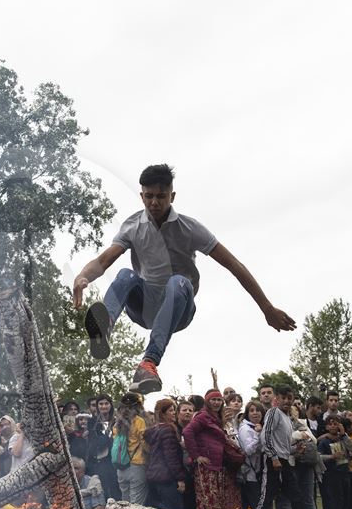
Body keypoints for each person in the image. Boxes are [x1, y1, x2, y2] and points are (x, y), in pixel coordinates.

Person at [73, 163, 296, 394]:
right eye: (148, 196)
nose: (154, 203)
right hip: (144, 307)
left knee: (178, 281)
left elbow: (234, 265)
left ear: (172, 195)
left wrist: (267, 308)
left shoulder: (190, 228)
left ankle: (149, 363)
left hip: (179, 307)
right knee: (125, 275)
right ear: (141, 196)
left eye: (161, 196)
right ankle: (103, 327)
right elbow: (104, 260)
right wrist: (82, 277)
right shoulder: (132, 226)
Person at [254, 387, 318, 509]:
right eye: (284, 397)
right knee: (266, 498)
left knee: (297, 498)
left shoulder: (287, 418)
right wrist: (273, 457)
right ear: (277, 398)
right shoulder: (273, 413)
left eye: (290, 398)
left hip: (285, 460)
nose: (287, 401)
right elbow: (265, 436)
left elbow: (284, 445)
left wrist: (296, 450)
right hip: (273, 461)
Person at [184, 390, 242, 509]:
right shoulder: (203, 416)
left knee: (218, 501)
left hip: (217, 464)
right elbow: (187, 432)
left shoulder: (215, 417)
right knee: (208, 501)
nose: (216, 402)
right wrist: (196, 456)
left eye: (219, 400)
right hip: (206, 466)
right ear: (207, 401)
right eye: (213, 400)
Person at [144, 398, 187, 509]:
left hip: (154, 476)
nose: (174, 413)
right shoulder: (168, 430)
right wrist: (180, 478)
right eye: (171, 411)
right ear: (163, 413)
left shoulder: (155, 430)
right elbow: (171, 457)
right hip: (167, 478)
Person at [317, 416, 352, 509]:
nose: (333, 426)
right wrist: (331, 457)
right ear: (326, 427)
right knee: (337, 500)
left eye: (335, 423)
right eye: (330, 424)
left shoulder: (343, 439)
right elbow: (319, 457)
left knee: (347, 499)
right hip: (332, 474)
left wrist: (344, 435)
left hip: (345, 472)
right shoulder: (324, 442)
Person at [113, 392, 148, 504]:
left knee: (125, 503)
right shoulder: (139, 421)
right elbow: (144, 442)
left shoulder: (117, 423)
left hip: (121, 466)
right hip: (137, 465)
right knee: (136, 505)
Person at [237, 401, 264, 509]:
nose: (255, 413)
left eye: (258, 410)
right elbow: (248, 450)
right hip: (250, 474)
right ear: (247, 413)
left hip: (260, 472)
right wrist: (258, 435)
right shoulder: (245, 429)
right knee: (254, 506)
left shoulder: (259, 427)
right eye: (251, 410)